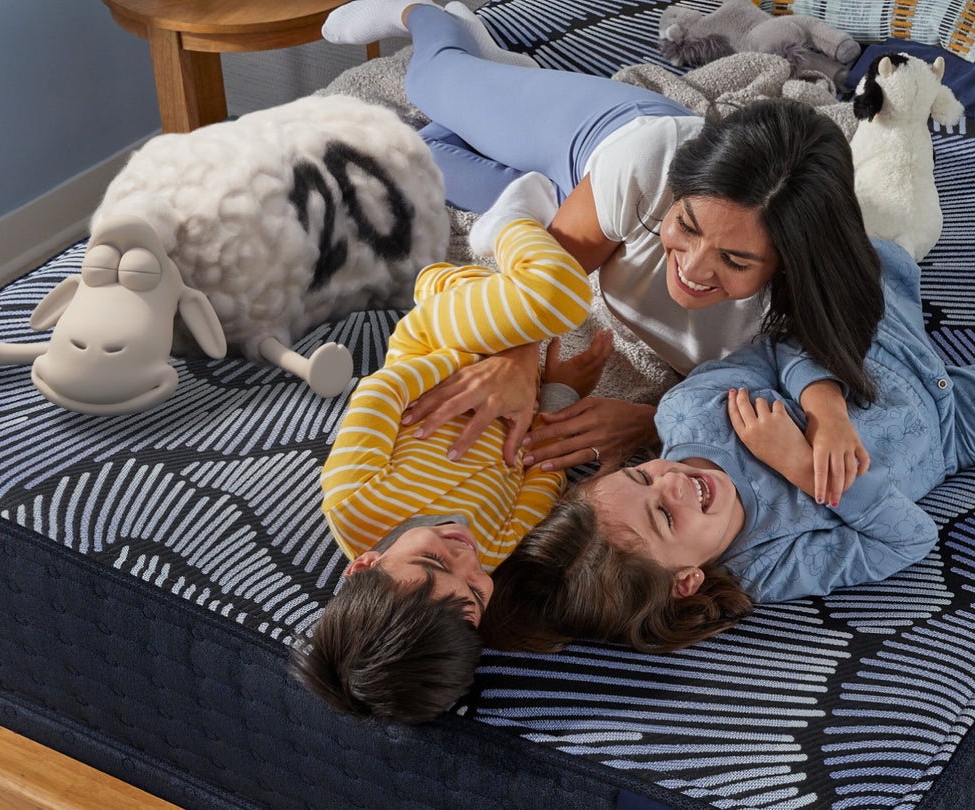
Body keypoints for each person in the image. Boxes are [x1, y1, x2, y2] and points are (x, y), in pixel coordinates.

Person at [479, 246, 975, 653]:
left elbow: (785, 343)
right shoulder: (767, 566)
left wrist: (825, 407)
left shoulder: (690, 409)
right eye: (664, 516)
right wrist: (802, 468)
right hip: (955, 429)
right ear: (686, 580)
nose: (672, 479)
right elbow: (906, 540)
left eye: (644, 474)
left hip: (870, 354)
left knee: (868, 254)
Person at [323, 0, 882, 507]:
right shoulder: (649, 164)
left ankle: (518, 119)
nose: (691, 268)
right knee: (430, 79)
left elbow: (811, 368)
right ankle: (434, 17)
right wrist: (516, 361)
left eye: (736, 262)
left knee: (416, 154)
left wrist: (648, 423)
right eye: (684, 226)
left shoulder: (803, 303)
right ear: (677, 193)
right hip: (597, 137)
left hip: (589, 198)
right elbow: (539, 280)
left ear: (789, 266)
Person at [295, 176, 612, 722]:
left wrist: (481, 365)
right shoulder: (492, 548)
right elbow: (540, 470)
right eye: (474, 592)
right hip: (520, 384)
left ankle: (505, 223)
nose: (465, 555)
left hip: (437, 342)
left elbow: (381, 391)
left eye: (432, 559)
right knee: (552, 307)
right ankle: (477, 283)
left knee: (559, 295)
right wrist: (553, 392)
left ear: (364, 565)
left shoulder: (353, 502)